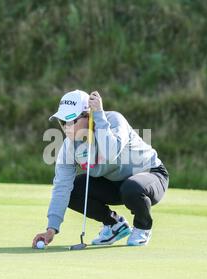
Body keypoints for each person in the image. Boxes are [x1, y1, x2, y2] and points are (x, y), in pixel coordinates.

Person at [32, 89, 169, 248]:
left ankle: (142, 227)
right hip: (114, 183)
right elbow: (62, 186)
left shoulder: (114, 120)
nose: (66, 127)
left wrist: (99, 116)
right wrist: (51, 229)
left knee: (131, 188)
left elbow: (111, 153)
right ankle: (114, 225)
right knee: (73, 189)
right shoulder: (69, 146)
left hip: (150, 176)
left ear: (87, 115)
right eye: (62, 122)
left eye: (71, 120)